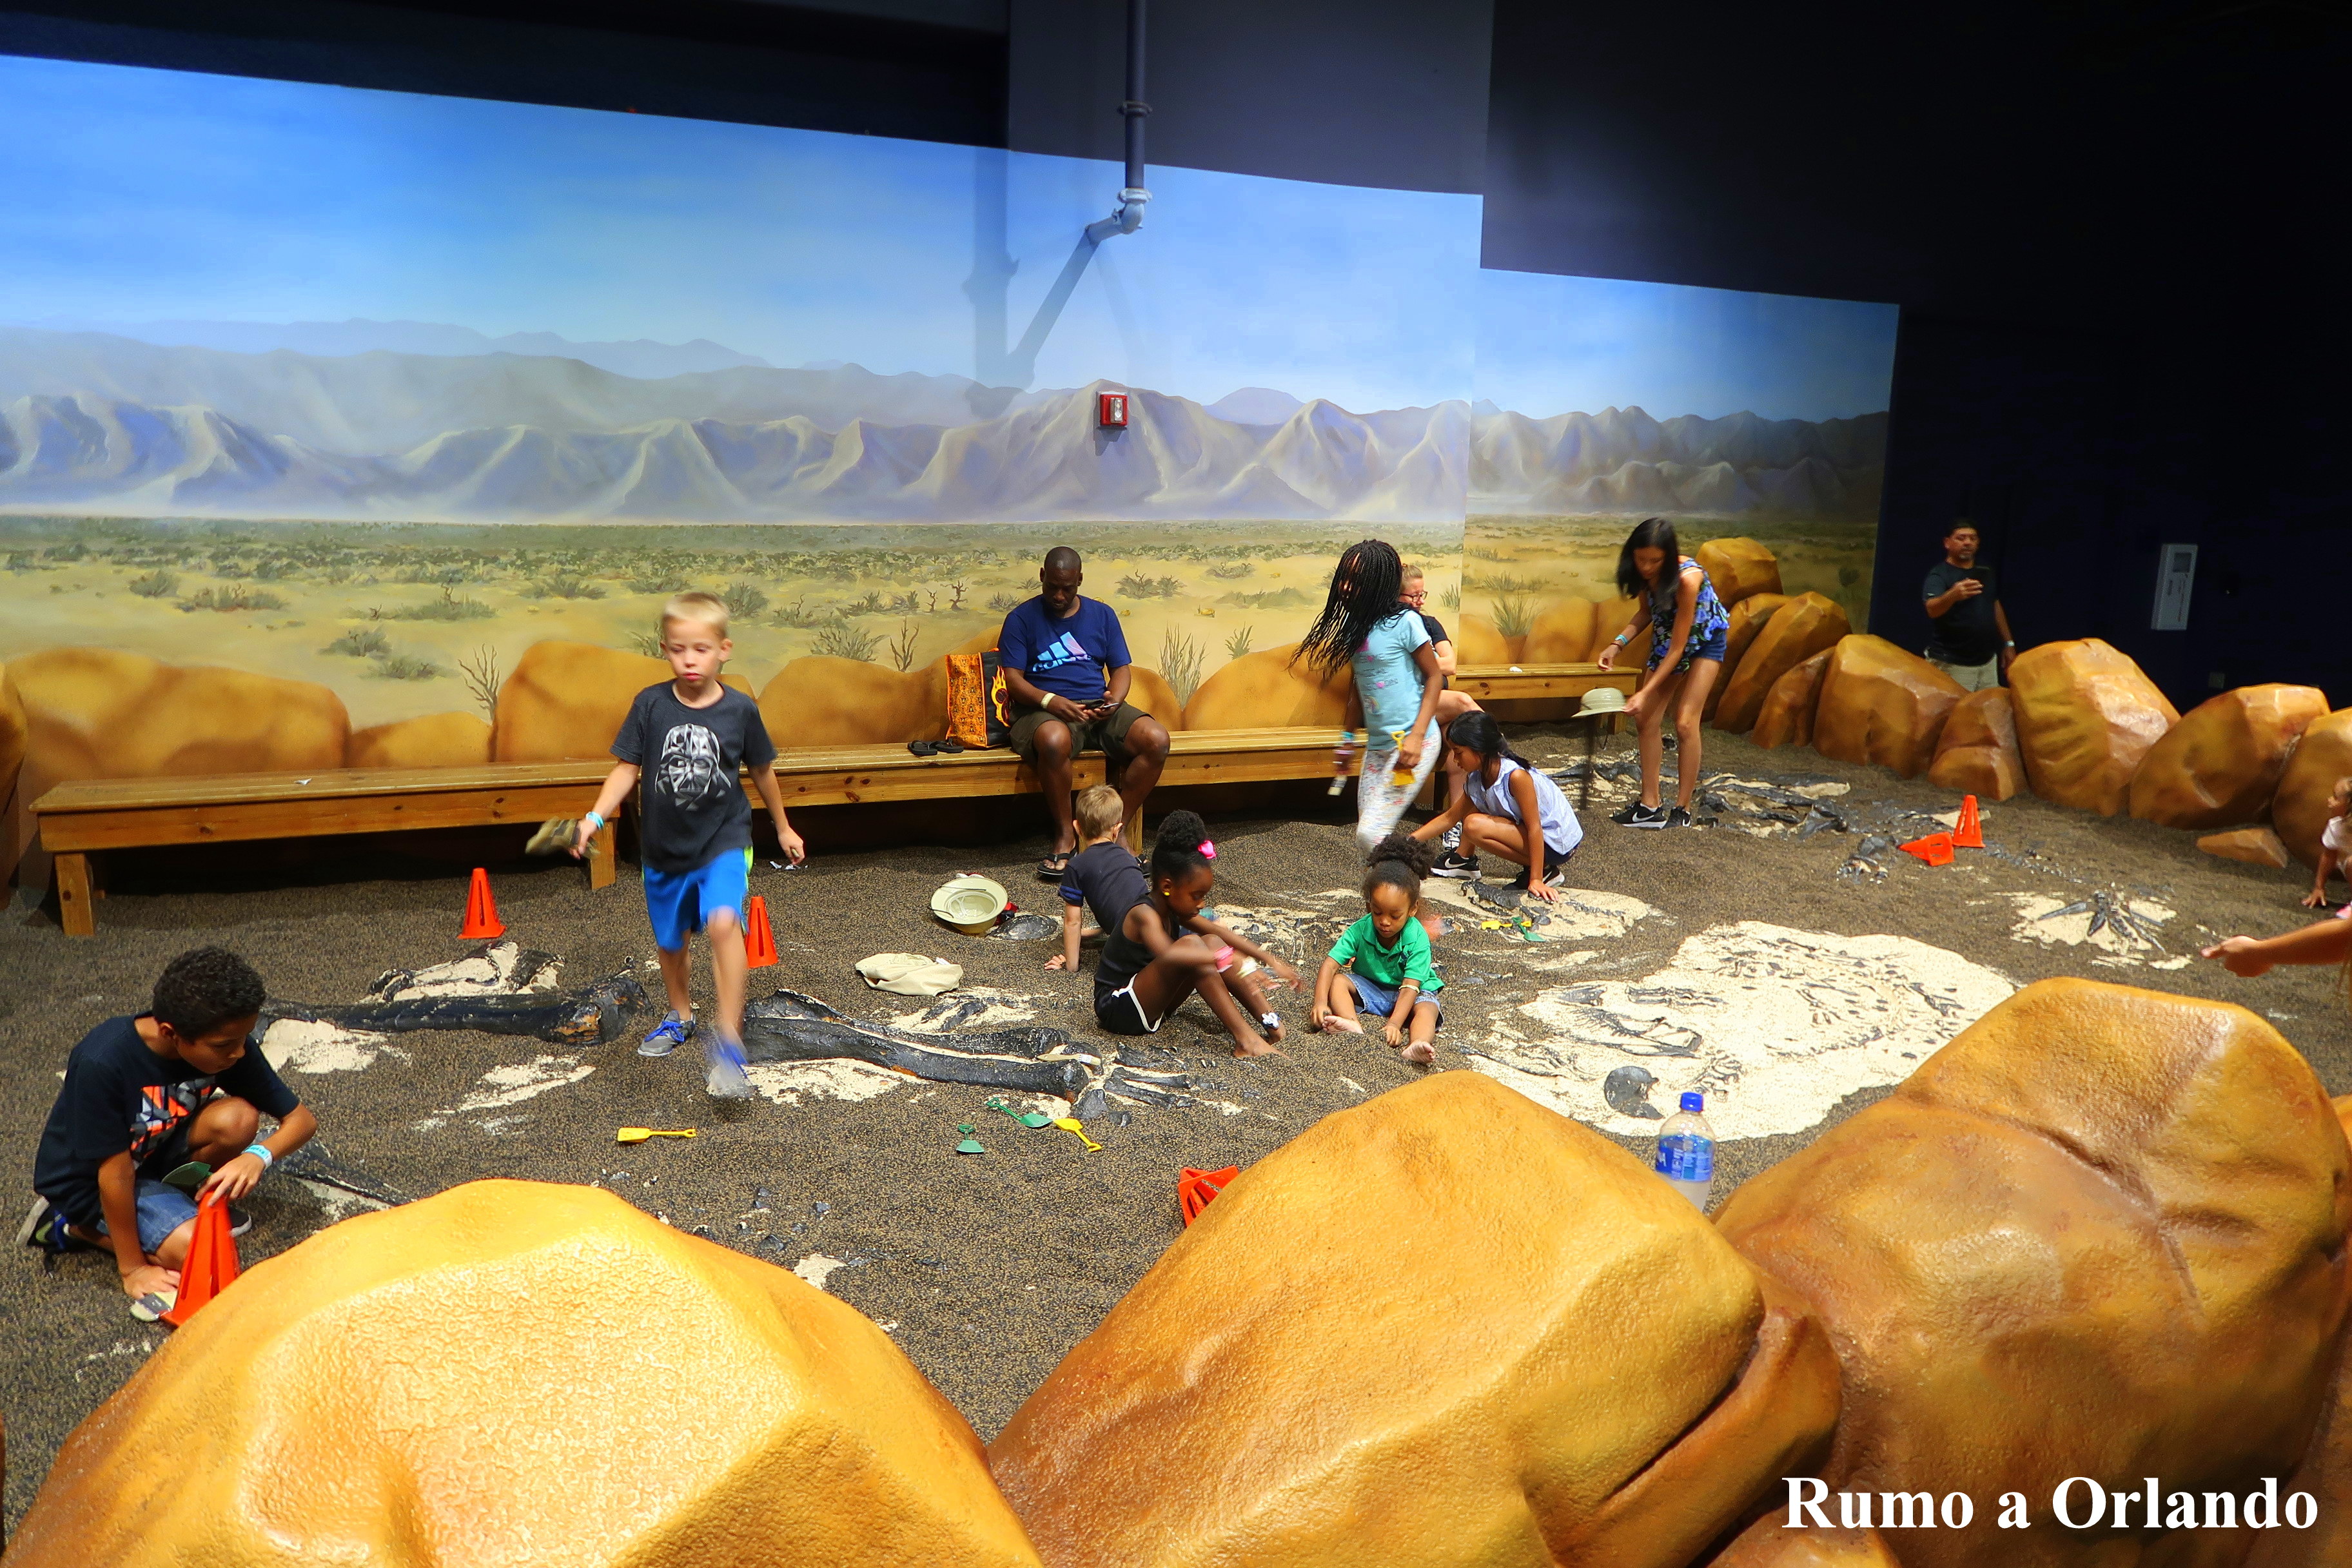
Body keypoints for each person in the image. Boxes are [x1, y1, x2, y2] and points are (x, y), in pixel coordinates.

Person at [575, 591, 804, 1097]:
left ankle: (729, 1038)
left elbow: (763, 771)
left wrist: (783, 827)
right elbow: (626, 769)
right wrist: (595, 816)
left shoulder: (740, 710)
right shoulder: (650, 704)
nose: (690, 660)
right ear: (665, 649)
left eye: (701, 649)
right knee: (671, 943)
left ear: (724, 650)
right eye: (679, 649)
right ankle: (680, 1016)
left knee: (723, 922)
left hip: (724, 840)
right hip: (663, 850)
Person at [21, 947, 318, 1322]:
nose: (240, 1053)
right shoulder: (103, 1060)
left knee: (239, 1119)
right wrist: (133, 1269)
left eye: (244, 1038)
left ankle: (167, 1205)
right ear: (170, 1033)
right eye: (225, 1045)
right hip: (91, 1182)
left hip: (151, 1154)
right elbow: (115, 1173)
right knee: (201, 1254)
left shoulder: (226, 1042)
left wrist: (257, 1156)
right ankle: (71, 1226)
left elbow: (302, 1121)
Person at [998, 546, 1171, 880]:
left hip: (1096, 708)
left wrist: (1114, 701)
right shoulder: (1021, 619)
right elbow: (1014, 680)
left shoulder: (1102, 615)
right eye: (1052, 587)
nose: (1059, 596)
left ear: (1079, 580)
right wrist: (1051, 701)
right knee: (1054, 739)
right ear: (1042, 576)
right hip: (1042, 710)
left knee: (1156, 739)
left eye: (1067, 588)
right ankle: (1067, 835)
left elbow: (1120, 669)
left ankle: (1115, 830)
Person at [1072, 808, 1298, 1056]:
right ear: (1167, 886)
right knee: (1193, 946)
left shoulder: (1175, 908)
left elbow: (1219, 933)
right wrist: (1228, 957)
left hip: (1155, 1004)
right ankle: (1246, 1040)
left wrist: (1268, 960)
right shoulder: (1143, 914)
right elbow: (1169, 955)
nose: (1202, 904)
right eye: (1196, 896)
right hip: (1118, 1008)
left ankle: (1274, 1026)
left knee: (1212, 941)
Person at [1296, 540, 1446, 852]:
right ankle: (1395, 883)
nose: (1346, 587)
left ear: (1378, 582)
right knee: (1371, 836)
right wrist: (1348, 738)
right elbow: (1358, 686)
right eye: (1344, 578)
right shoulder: (1355, 626)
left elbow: (1434, 677)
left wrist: (1417, 737)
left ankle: (1407, 877)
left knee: (1370, 834)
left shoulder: (1405, 622)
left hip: (1412, 742)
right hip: (1377, 748)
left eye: (1356, 580)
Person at [1595, 518, 1730, 828]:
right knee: (1646, 720)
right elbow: (1646, 613)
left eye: (1655, 561)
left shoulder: (1688, 580)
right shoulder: (1644, 576)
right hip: (1668, 638)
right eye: (1641, 559)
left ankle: (1682, 809)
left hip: (1704, 639)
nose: (1646, 567)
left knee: (1685, 722)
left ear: (1668, 557)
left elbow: (1678, 650)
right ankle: (1649, 805)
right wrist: (1617, 645)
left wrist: (1644, 692)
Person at [1411, 711, 1582, 896]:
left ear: (1479, 749)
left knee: (1474, 825)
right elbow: (1449, 818)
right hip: (1537, 836)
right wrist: (1406, 842)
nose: (1455, 760)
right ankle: (1462, 860)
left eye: (1459, 753)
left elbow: (1535, 828)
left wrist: (1536, 880)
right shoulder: (1476, 778)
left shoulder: (1516, 776)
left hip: (1557, 842)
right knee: (1473, 810)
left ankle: (1545, 871)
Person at [1312, 839, 1445, 1064]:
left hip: (1412, 994)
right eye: (1377, 912)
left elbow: (1411, 986)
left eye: (1395, 916)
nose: (1385, 922)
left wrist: (1394, 1024)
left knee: (1428, 1008)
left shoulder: (1417, 938)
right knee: (1339, 982)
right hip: (1374, 990)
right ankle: (1350, 1022)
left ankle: (1418, 1044)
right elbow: (1330, 964)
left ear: (1412, 909)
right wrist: (1319, 1002)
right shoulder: (1361, 929)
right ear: (1369, 906)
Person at [1400, 564, 1487, 877]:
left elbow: (1449, 664)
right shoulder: (1397, 625)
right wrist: (1424, 661)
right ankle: (1500, 757)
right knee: (1464, 703)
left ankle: (1458, 828)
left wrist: (1422, 659)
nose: (1420, 601)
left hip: (1440, 706)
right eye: (1413, 596)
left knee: (1458, 748)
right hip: (1414, 702)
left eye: (1422, 594)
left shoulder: (1429, 623)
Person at [1922, 522, 2015, 691]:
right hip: (1954, 664)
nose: (1967, 543)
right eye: (1961, 538)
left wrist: (2008, 643)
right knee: (1957, 707)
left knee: (1988, 706)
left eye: (1973, 538)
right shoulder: (1939, 575)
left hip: (1987, 662)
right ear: (1947, 543)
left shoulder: (1985, 571)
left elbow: (1994, 604)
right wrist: (1953, 595)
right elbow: (1932, 609)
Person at [1046, 785, 1127, 972]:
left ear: (1077, 828)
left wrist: (1071, 966)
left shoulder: (1076, 866)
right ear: (1117, 829)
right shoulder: (1128, 858)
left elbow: (1072, 921)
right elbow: (1125, 901)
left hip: (1128, 944)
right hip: (1156, 926)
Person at [2300, 776, 2352, 911]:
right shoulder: (2337, 827)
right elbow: (2329, 854)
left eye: (2336, 798)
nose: (2330, 800)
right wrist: (2319, 887)